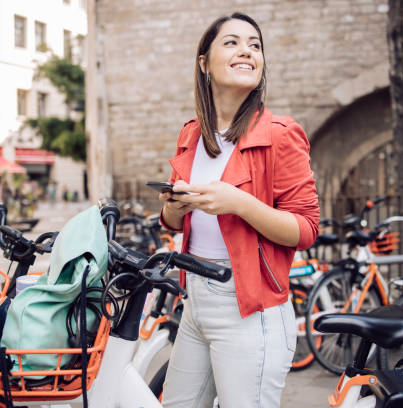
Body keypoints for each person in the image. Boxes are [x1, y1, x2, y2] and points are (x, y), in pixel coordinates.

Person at [158, 12, 319, 408]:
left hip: (251, 309)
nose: (246, 50)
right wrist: (174, 208)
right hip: (195, 301)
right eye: (231, 42)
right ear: (204, 63)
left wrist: (239, 204)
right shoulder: (191, 133)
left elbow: (307, 228)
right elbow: (173, 221)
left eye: (255, 44)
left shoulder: (279, 134)